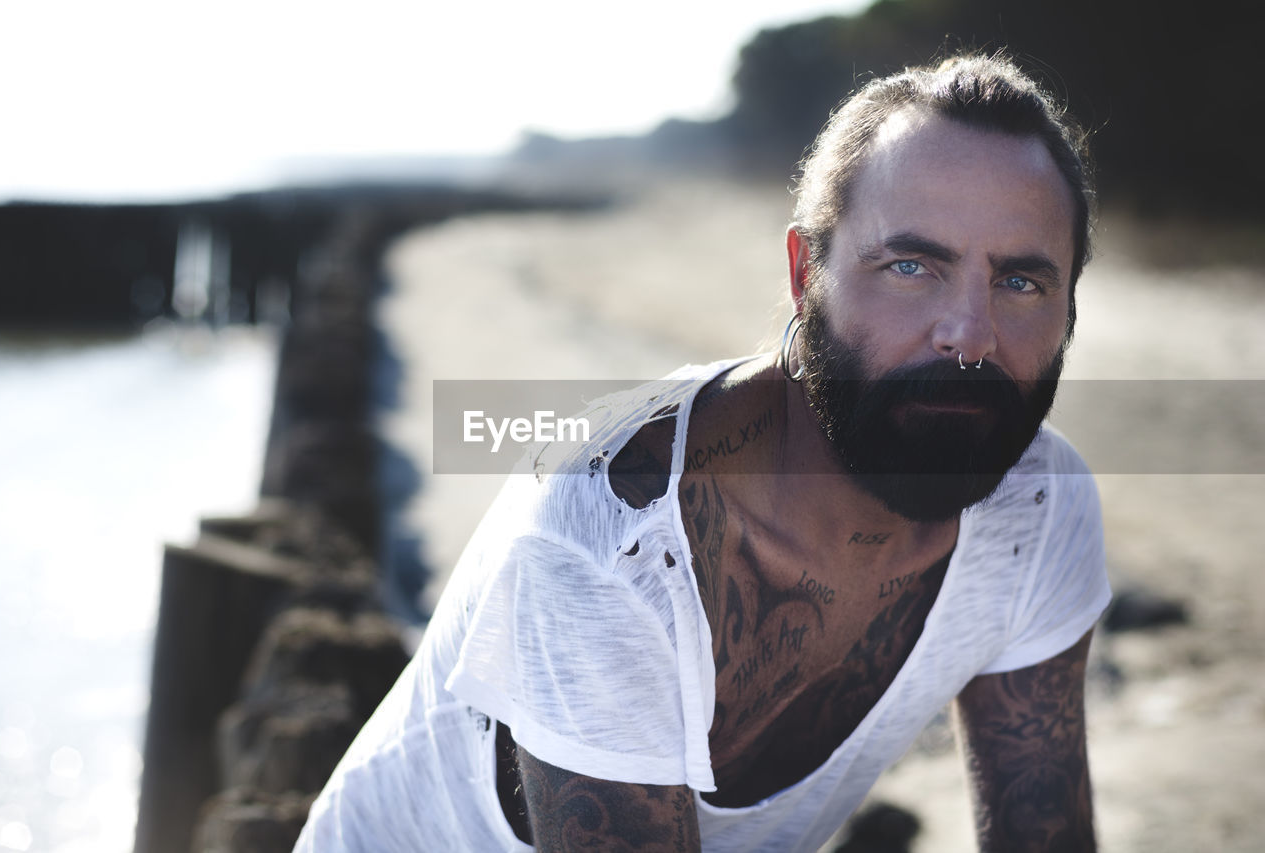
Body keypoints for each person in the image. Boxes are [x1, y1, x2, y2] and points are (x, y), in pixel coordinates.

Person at [295, 52, 1110, 852]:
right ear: (805, 274)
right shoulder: (609, 538)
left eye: (1022, 282)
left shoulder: (1038, 507)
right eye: (910, 265)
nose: (968, 334)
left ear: (1070, 305)